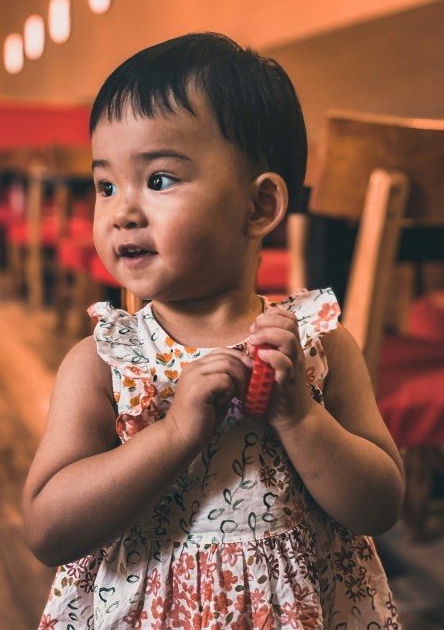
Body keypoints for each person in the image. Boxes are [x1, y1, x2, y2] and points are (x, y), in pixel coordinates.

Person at [23, 32, 404, 629]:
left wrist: (301, 416)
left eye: (160, 180)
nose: (121, 210)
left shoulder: (318, 346)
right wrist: (173, 434)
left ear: (259, 208)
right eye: (105, 185)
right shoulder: (105, 361)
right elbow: (48, 529)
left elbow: (380, 504)